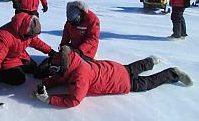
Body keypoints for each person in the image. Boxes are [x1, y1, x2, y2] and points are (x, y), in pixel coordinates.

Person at [34, 46, 193, 108]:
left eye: (55, 69)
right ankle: (151, 61)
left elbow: (74, 100)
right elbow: (62, 76)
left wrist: (49, 99)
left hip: (122, 82)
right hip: (115, 68)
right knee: (133, 67)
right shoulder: (74, 61)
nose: (54, 72)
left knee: (147, 83)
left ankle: (173, 73)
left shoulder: (80, 78)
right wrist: (46, 83)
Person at [0, 12, 56, 104]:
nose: (31, 38)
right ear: (26, 31)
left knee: (33, 69)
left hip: (20, 55)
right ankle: (0, 76)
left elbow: (37, 42)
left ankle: (17, 68)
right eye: (31, 36)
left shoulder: (27, 30)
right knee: (19, 79)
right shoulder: (3, 36)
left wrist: (50, 51)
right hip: (7, 59)